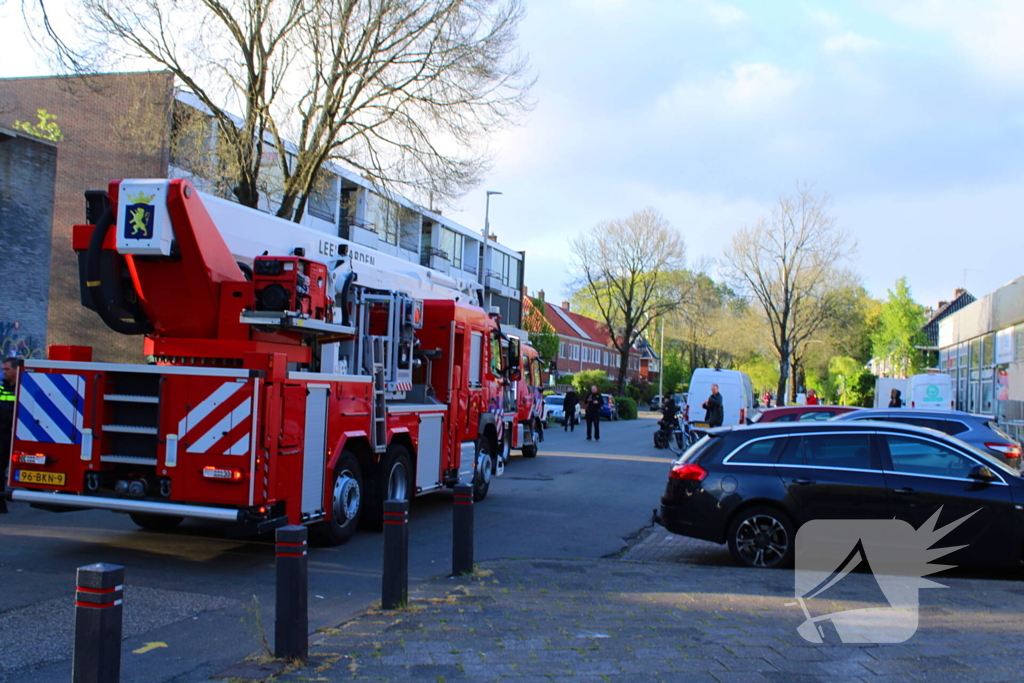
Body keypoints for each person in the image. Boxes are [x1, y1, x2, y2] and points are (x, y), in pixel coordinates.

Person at [0, 357, 20, 514]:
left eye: (6, 369)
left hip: (18, 435)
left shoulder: (23, 388)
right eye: (3, 369)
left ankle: (38, 493)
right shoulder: (3, 387)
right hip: (4, 433)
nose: (3, 372)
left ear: (15, 369)